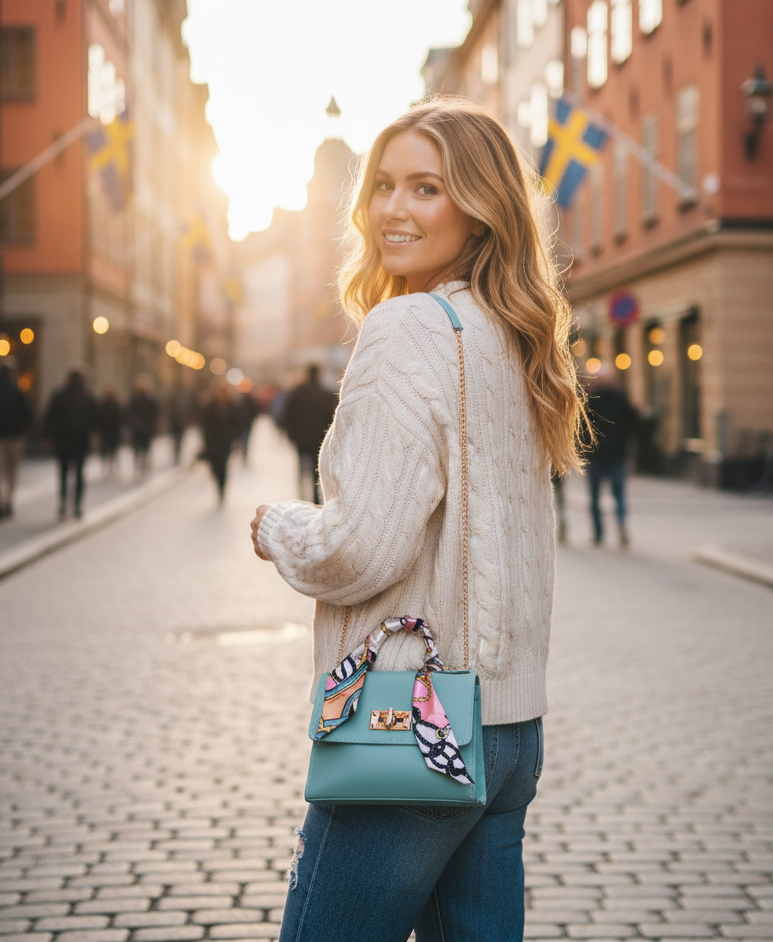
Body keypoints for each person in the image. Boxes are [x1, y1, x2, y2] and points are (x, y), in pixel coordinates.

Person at [249, 98, 584, 941]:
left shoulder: (406, 329)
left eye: (426, 188)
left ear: (479, 209)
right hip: (509, 729)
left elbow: (362, 549)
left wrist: (280, 528)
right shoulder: (512, 337)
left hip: (413, 726)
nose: (393, 209)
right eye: (384, 186)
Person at [583, 362, 638, 548]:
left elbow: (582, 427)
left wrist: (585, 447)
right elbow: (632, 423)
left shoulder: (590, 399)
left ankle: (598, 533)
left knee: (594, 496)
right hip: (617, 453)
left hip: (596, 454)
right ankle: (621, 522)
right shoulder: (621, 397)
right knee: (619, 492)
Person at [0, 361, 33, 520]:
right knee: (12, 471)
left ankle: (0, 500)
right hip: (14, 437)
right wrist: (25, 430)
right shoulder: (18, 391)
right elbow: (27, 413)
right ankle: (9, 501)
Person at [43, 367, 96, 519]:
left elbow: (49, 417)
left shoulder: (59, 395)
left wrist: (46, 437)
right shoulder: (87, 396)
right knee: (79, 473)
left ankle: (63, 504)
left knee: (63, 473)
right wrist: (94, 434)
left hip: (63, 439)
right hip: (80, 440)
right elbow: (95, 418)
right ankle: (77, 505)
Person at [280, 365, 338, 503]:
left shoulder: (297, 394)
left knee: (301, 466)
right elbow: (332, 418)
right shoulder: (325, 394)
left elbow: (288, 416)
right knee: (316, 469)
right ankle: (316, 498)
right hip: (319, 438)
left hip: (301, 438)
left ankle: (302, 495)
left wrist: (291, 435)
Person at [200, 382, 241, 504]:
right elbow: (205, 425)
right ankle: (218, 483)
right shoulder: (210, 407)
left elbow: (237, 424)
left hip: (226, 442)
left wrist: (236, 439)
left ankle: (222, 488)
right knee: (214, 466)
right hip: (213, 442)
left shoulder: (232, 407)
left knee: (223, 465)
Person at [128, 375, 159, 475]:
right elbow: (154, 414)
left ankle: (140, 463)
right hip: (145, 427)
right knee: (145, 447)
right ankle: (143, 463)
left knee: (138, 447)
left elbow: (130, 413)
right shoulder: (149, 399)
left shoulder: (134, 399)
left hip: (139, 427)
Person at [97, 384, 123, 478]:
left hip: (106, 431)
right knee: (112, 449)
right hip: (113, 431)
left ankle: (107, 466)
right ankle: (111, 467)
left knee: (106, 449)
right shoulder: (115, 404)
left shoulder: (102, 404)